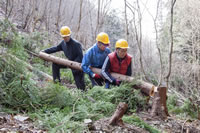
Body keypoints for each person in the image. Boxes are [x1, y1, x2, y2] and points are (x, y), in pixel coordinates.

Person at [42, 26, 85, 91]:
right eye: (64, 37)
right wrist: (45, 51)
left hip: (77, 65)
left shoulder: (76, 44)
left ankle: (82, 94)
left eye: (67, 36)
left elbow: (80, 57)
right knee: (55, 64)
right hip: (68, 62)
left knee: (79, 84)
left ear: (70, 35)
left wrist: (73, 65)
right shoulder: (63, 43)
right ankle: (57, 84)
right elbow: (56, 48)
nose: (65, 38)